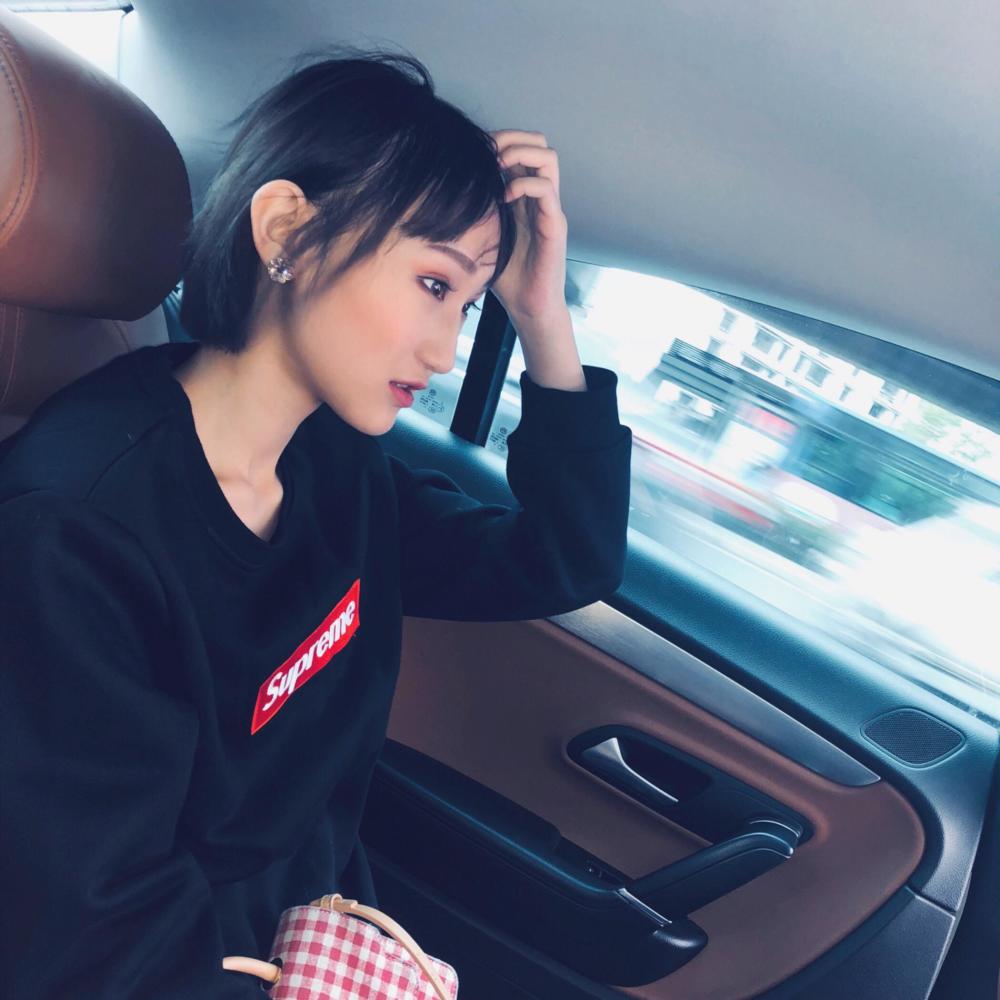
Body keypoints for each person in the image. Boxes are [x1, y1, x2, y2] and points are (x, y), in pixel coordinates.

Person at [0, 49, 632, 998]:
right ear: (287, 228)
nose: (445, 350)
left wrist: (542, 317)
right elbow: (97, 932)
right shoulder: (77, 532)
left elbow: (560, 561)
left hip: (318, 931)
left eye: (468, 307)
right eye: (433, 285)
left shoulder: (334, 463)